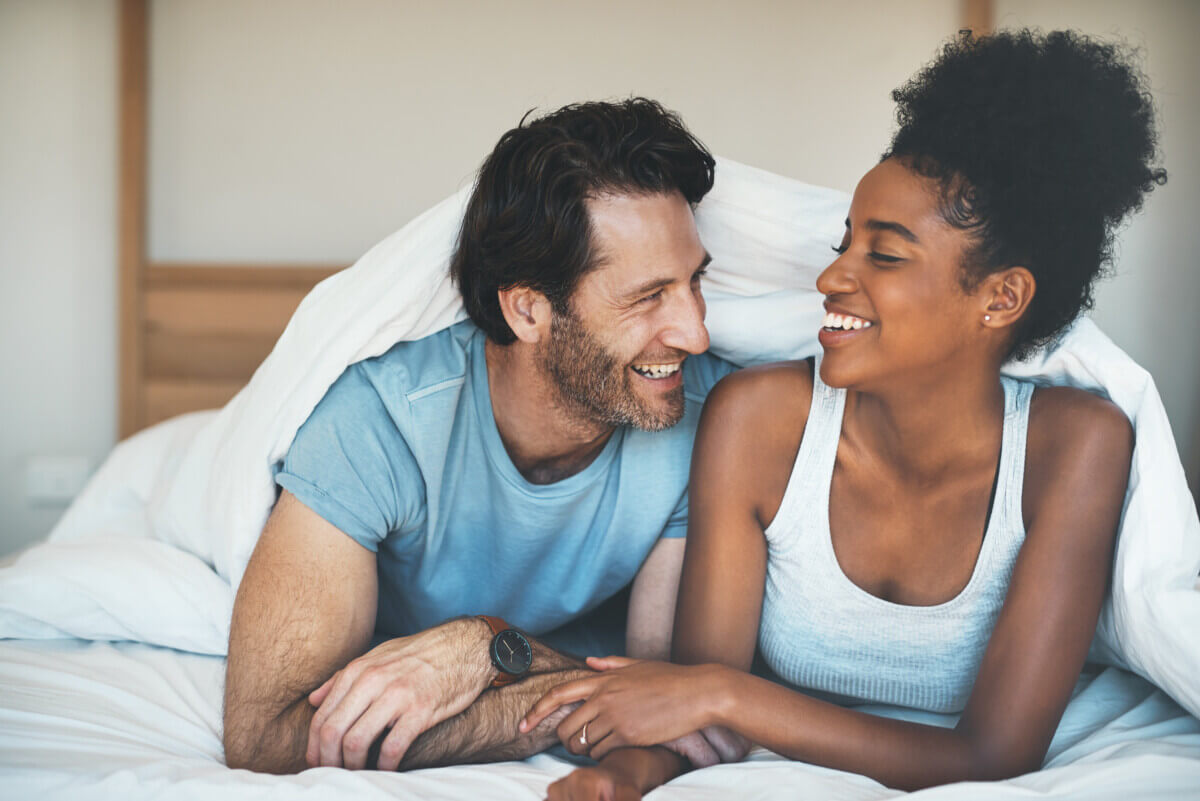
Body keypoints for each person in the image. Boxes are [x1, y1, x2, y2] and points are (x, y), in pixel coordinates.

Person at [523, 30, 1167, 797]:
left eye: (884, 255)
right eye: (843, 243)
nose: (831, 277)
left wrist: (726, 696)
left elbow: (994, 755)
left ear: (1002, 297)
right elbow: (691, 706)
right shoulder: (759, 419)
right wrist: (625, 774)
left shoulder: (1075, 447)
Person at [222, 98, 739, 774]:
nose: (696, 333)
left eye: (695, 282)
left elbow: (664, 705)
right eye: (647, 297)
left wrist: (487, 650)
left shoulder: (706, 416)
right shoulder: (380, 422)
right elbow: (267, 736)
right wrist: (544, 676)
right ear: (527, 309)